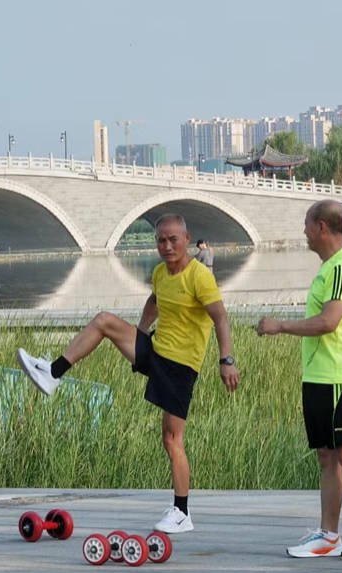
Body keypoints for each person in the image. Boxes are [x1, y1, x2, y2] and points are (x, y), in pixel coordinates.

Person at [17, 214, 239, 533]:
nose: (166, 246)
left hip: (180, 368)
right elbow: (155, 299)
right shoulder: (161, 272)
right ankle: (52, 373)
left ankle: (182, 512)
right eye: (161, 240)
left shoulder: (199, 276)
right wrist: (140, 331)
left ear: (187, 239)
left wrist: (226, 359)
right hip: (154, 350)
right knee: (104, 321)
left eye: (173, 239)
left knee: (172, 439)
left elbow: (220, 318)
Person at [257, 200, 342, 560]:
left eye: (305, 224)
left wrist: (279, 326)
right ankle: (329, 536)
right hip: (319, 378)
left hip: (339, 378)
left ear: (321, 227)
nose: (303, 232)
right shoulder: (330, 268)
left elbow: (329, 321)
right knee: (327, 458)